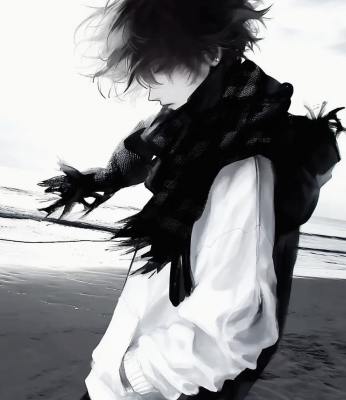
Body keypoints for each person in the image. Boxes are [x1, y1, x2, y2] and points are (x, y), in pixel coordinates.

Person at [37, 1, 345, 399]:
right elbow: (137, 152)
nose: (149, 89)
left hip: (155, 389)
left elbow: (231, 335)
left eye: (157, 68)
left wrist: (130, 376)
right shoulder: (192, 139)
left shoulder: (241, 171)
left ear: (212, 52)